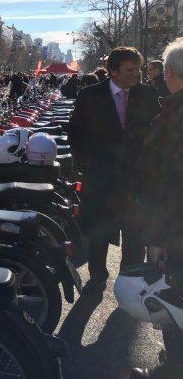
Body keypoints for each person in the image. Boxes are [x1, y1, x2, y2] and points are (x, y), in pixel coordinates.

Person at [68, 46, 161, 294]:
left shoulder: (148, 96)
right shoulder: (90, 95)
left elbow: (156, 135)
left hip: (136, 181)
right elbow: (75, 131)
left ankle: (129, 283)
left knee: (134, 234)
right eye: (130, 70)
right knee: (99, 232)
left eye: (138, 69)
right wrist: (85, 162)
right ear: (113, 71)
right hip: (101, 178)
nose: (137, 74)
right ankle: (97, 276)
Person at [129, 38, 183, 379]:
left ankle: (173, 368)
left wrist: (158, 237)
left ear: (168, 73)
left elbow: (167, 185)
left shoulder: (174, 117)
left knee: (173, 297)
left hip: (175, 230)